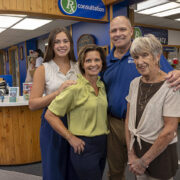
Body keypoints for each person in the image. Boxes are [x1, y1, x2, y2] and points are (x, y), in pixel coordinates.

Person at [101, 16, 180, 180]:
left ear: (131, 31)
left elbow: (168, 76)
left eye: (122, 29)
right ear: (109, 34)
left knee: (148, 171)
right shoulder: (105, 61)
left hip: (147, 126)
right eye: (114, 30)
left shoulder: (149, 52)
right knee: (115, 171)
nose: (118, 34)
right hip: (115, 123)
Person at [45, 44, 109, 180]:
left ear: (102, 63)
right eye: (88, 61)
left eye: (97, 60)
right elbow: (50, 115)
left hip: (102, 144)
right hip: (84, 146)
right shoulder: (74, 88)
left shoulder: (101, 85)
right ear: (82, 64)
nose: (93, 64)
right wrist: (70, 137)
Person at [125, 34, 180, 180]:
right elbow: (129, 120)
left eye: (145, 55)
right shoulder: (134, 83)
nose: (140, 62)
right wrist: (131, 153)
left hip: (161, 155)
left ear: (157, 56)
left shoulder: (171, 86)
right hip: (138, 150)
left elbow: (169, 131)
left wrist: (143, 162)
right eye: (136, 57)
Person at [29, 27, 79, 180]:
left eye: (65, 41)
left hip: (76, 122)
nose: (61, 45)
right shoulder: (43, 69)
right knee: (53, 171)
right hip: (52, 123)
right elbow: (33, 104)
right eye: (57, 42)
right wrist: (58, 92)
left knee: (75, 170)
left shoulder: (79, 67)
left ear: (70, 44)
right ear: (51, 46)